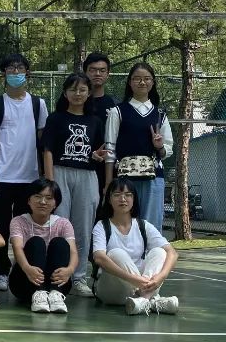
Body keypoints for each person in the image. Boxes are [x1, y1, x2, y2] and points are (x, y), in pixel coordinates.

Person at [42, 73, 108, 297]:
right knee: (59, 225)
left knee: (83, 228)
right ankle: (57, 276)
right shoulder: (55, 118)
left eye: (82, 90)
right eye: (73, 89)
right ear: (65, 92)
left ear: (88, 93)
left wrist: (97, 156)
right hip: (60, 173)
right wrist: (50, 183)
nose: (77, 94)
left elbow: (99, 152)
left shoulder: (95, 121)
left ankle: (78, 277)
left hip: (87, 176)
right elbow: (48, 150)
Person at [0, 54, 48, 291]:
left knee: (25, 228)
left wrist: (42, 174)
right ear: (4, 74)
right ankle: (2, 270)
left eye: (19, 68)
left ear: (27, 73)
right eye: (10, 68)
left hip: (29, 178)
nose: (15, 72)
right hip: (1, 177)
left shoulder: (38, 104)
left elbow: (42, 141)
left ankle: (25, 270)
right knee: (0, 226)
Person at [91, 178, 180, 315]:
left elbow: (172, 253)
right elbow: (99, 258)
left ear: (134, 199)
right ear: (109, 199)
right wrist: (134, 280)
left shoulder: (143, 225)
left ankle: (143, 301)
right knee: (116, 253)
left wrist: (161, 277)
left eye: (128, 195)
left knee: (159, 252)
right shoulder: (101, 226)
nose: (123, 199)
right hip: (111, 290)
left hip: (140, 285)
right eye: (117, 194)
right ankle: (152, 300)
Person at [104, 62, 172, 229]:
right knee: (124, 223)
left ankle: (150, 248)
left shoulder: (160, 114)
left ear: (153, 82)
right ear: (129, 82)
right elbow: (110, 149)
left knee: (152, 226)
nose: (142, 82)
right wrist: (108, 182)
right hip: (124, 178)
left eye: (147, 78)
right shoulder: (117, 112)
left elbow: (167, 149)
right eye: (137, 78)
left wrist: (159, 147)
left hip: (154, 177)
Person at [8, 178, 78, 314]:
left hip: (56, 282)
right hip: (24, 280)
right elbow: (17, 248)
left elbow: (73, 251)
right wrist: (27, 268)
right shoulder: (18, 221)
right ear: (29, 200)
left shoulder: (64, 223)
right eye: (37, 196)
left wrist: (70, 270)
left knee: (60, 243)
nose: (43, 202)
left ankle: (56, 295)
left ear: (55, 203)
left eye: (48, 198)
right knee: (36, 242)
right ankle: (38, 294)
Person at [84, 52, 118, 201]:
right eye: (92, 70)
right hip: (81, 166)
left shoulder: (115, 105)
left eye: (102, 70)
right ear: (85, 72)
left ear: (108, 74)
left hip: (108, 167)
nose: (97, 74)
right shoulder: (76, 103)